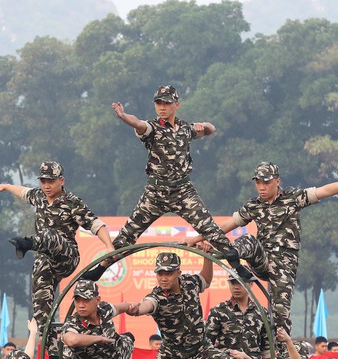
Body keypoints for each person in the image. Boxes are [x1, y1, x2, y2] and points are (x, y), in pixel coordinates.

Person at [81, 86, 250, 281]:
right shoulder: (153, 128)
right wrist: (124, 117)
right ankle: (101, 269)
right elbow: (138, 124)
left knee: (209, 228)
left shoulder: (186, 128)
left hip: (183, 191)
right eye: (158, 103)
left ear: (176, 105)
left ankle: (237, 266)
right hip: (155, 193)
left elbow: (211, 129)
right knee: (128, 233)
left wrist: (203, 125)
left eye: (167, 103)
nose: (162, 107)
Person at [188, 161, 338, 335]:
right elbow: (228, 225)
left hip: (284, 264)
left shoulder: (293, 199)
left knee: (280, 315)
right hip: (262, 258)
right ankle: (235, 259)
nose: (262, 187)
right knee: (248, 240)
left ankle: (282, 358)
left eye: (266, 183)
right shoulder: (254, 205)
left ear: (277, 181)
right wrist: (197, 237)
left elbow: (325, 190)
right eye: (258, 183)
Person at [0, 161, 114, 334]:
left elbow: (96, 224)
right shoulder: (39, 196)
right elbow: (24, 192)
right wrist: (6, 186)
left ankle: (27, 244)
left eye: (51, 181)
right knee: (40, 309)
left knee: (50, 234)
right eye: (43, 182)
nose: (46, 186)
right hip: (46, 260)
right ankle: (53, 355)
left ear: (61, 180)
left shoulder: (72, 202)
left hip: (66, 256)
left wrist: (109, 246)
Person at [124, 250, 244, 359]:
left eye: (169, 273)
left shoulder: (189, 282)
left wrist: (206, 257)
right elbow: (147, 305)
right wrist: (137, 310)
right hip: (171, 357)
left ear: (178, 273)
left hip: (201, 350)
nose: (164, 278)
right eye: (160, 273)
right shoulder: (157, 296)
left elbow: (206, 280)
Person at [205, 277, 272, 359]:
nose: (236, 287)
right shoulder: (218, 311)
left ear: (251, 284)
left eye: (240, 282)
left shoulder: (261, 312)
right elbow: (206, 347)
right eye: (232, 283)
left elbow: (267, 350)